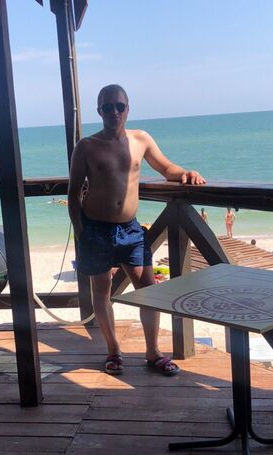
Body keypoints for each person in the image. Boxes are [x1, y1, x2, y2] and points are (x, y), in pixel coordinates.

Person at [68, 84, 206, 376]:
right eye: (108, 107)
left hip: (130, 231)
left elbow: (165, 168)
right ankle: (113, 350)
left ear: (128, 109)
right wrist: (82, 235)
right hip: (95, 229)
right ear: (99, 111)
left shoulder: (141, 139)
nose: (114, 112)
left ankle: (153, 352)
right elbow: (73, 194)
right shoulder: (86, 146)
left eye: (119, 106)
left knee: (148, 291)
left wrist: (186, 173)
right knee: (101, 292)